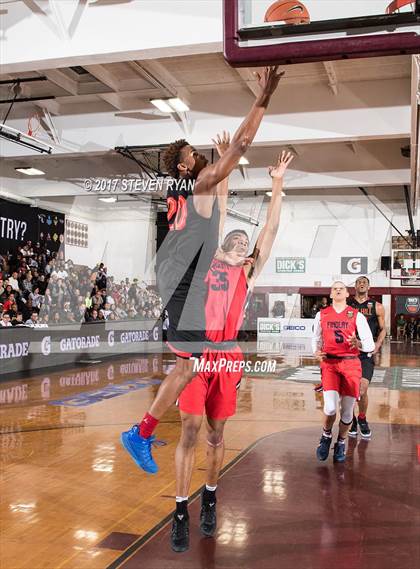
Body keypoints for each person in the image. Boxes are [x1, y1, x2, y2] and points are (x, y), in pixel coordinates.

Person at [121, 66, 284, 474]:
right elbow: (243, 144)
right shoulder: (199, 185)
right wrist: (262, 99)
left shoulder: (186, 193)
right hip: (183, 284)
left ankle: (141, 432)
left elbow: (219, 205)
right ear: (182, 167)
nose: (199, 157)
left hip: (179, 279)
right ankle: (139, 434)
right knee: (187, 367)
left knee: (186, 366)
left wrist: (226, 167)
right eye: (192, 155)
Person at [170, 145, 294, 552]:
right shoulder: (207, 261)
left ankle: (209, 494)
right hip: (196, 354)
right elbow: (219, 209)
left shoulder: (248, 273)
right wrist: (223, 168)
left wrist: (276, 185)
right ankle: (179, 509)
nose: (243, 243)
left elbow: (270, 231)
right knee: (188, 429)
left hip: (228, 357)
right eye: (236, 240)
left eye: (246, 243)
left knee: (217, 431)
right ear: (223, 246)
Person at [312, 281, 374, 463]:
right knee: (330, 407)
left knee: (347, 412)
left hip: (351, 364)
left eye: (341, 288)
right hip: (330, 363)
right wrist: (316, 351)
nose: (337, 290)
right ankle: (325, 436)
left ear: (348, 294)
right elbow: (315, 338)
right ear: (331, 295)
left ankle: (341, 441)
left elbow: (369, 344)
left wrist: (359, 344)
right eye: (334, 288)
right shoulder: (321, 315)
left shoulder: (356, 316)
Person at [347, 277, 386, 438]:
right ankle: (352, 420)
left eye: (364, 282)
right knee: (348, 391)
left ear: (369, 286)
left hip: (366, 354)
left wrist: (377, 344)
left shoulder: (377, 306)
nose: (361, 284)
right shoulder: (347, 306)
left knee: (362, 388)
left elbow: (383, 329)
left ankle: (362, 418)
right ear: (355, 286)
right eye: (358, 282)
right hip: (348, 353)